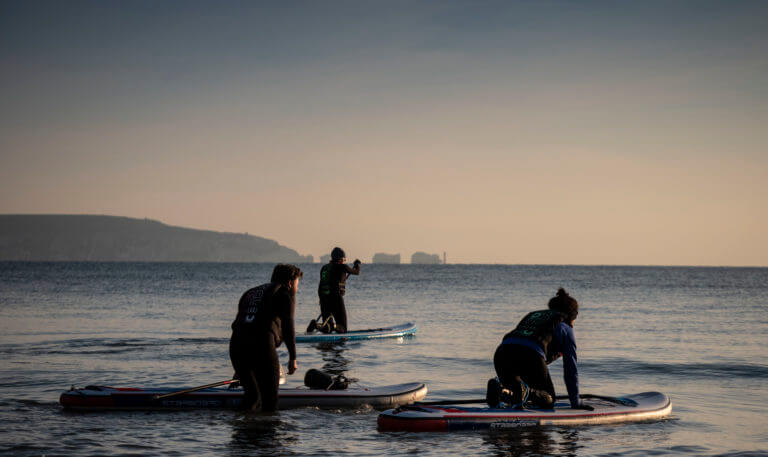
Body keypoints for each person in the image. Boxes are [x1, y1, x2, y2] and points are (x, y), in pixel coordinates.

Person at [488, 288, 593, 411]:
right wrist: (575, 403)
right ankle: (525, 392)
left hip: (502, 353)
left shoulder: (534, 315)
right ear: (572, 315)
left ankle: (502, 389)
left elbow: (521, 343)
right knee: (548, 399)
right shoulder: (566, 328)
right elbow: (571, 370)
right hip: (529, 355)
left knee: (517, 388)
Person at [229, 264, 302, 412]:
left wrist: (240, 367)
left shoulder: (251, 292)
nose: (297, 288)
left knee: (252, 396)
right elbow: (288, 327)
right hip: (261, 346)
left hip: (236, 347)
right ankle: (267, 432)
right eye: (297, 284)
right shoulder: (283, 294)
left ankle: (241, 431)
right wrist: (293, 357)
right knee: (270, 401)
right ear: (289, 282)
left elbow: (241, 324)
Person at [316, 247, 361, 333]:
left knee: (327, 328)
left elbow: (320, 285)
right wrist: (357, 264)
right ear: (341, 259)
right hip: (336, 299)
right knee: (343, 328)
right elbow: (356, 272)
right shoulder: (343, 267)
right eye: (344, 259)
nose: (344, 261)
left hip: (324, 298)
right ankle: (334, 326)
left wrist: (321, 300)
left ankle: (316, 325)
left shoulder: (324, 268)